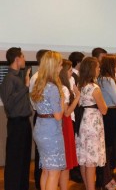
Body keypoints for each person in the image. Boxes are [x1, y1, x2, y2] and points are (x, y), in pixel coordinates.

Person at [31, 51, 65, 190]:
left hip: (40, 128)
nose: (61, 67)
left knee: (46, 170)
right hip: (51, 132)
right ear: (54, 66)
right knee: (54, 172)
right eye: (60, 64)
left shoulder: (39, 83)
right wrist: (63, 101)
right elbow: (58, 115)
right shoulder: (52, 88)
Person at [0, 47, 32, 190]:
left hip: (24, 123)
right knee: (15, 160)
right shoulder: (9, 78)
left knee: (24, 159)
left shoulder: (17, 77)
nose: (25, 59)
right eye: (23, 56)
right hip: (16, 124)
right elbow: (8, 102)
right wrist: (25, 87)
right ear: (17, 59)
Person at [77, 57, 108, 190]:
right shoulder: (94, 88)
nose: (99, 69)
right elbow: (104, 109)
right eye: (97, 67)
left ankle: (87, 186)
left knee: (84, 159)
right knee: (91, 162)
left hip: (83, 122)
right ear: (91, 70)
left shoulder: (80, 85)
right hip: (93, 124)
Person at [98, 55, 116, 190]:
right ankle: (106, 179)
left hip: (108, 114)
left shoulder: (102, 79)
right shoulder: (108, 80)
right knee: (108, 148)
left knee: (109, 148)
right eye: (115, 65)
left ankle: (108, 178)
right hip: (111, 114)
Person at [29, 49, 49, 190]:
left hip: (48, 118)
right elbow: (35, 102)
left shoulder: (46, 77)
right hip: (43, 116)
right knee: (41, 155)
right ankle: (40, 184)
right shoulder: (37, 78)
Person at [59, 59, 80, 190]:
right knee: (65, 161)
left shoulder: (60, 86)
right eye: (70, 70)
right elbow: (66, 112)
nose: (72, 73)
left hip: (61, 123)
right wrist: (77, 96)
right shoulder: (64, 88)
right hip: (65, 123)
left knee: (63, 161)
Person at [68, 51, 85, 183]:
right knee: (74, 139)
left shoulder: (78, 75)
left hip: (79, 110)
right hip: (75, 111)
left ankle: (77, 168)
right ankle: (74, 171)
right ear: (78, 62)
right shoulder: (72, 76)